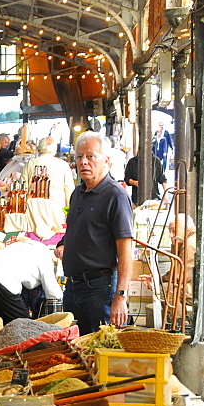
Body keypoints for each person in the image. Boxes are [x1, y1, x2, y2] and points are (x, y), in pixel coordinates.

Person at [55, 131, 133, 335]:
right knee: (75, 349)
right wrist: (63, 244)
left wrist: (121, 296)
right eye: (79, 157)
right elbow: (79, 229)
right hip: (73, 287)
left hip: (100, 289)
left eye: (91, 156)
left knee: (97, 349)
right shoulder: (77, 193)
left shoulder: (115, 195)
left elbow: (125, 250)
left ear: (106, 160)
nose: (84, 162)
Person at [0, 237, 63, 324]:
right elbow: (52, 291)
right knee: (23, 324)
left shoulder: (27, 246)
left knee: (0, 319)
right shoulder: (45, 256)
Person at [19, 136, 76, 212]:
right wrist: (71, 210)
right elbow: (69, 190)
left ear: (39, 148)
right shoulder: (63, 165)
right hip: (57, 209)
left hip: (34, 208)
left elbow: (22, 187)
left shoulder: (30, 163)